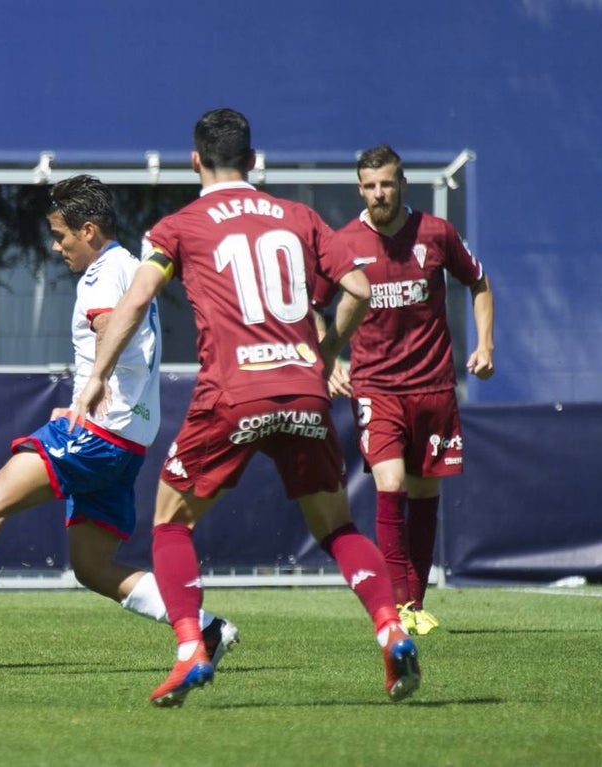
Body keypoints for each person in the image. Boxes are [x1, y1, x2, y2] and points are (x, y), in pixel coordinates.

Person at [73, 108, 420, 707]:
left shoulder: (179, 226)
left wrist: (95, 378)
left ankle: (190, 649)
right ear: (254, 161)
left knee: (169, 520)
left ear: (195, 161)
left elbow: (133, 302)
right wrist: (325, 349)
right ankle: (390, 628)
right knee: (337, 526)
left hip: (233, 392)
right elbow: (360, 288)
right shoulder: (300, 216)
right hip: (305, 389)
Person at [0, 174, 238, 670]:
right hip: (128, 442)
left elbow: (110, 329)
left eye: (60, 235)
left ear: (87, 230)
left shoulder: (105, 272)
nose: (56, 246)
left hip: (99, 433)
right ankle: (208, 628)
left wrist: (92, 389)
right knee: (92, 566)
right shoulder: (130, 266)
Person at [321, 144, 494, 636]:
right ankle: (396, 605)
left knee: (423, 491)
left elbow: (479, 283)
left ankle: (414, 603)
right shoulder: (343, 241)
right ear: (360, 188)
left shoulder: (436, 234)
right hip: (377, 387)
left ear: (402, 184)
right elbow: (312, 305)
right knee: (389, 484)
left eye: (387, 184)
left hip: (434, 385)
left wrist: (485, 345)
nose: (379, 193)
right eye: (371, 185)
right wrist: (329, 357)